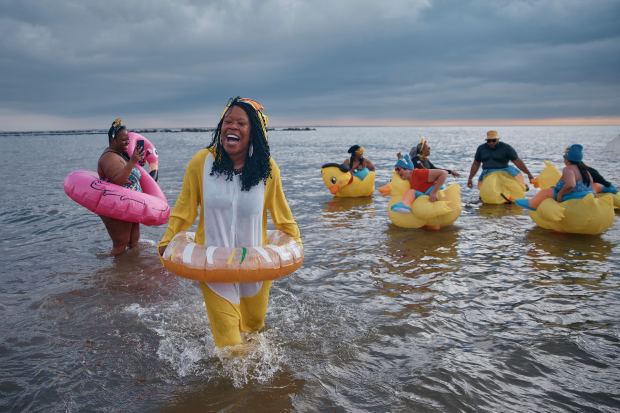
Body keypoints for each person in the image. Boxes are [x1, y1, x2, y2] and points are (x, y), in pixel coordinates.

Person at [157, 97, 300, 347]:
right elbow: (184, 210)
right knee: (231, 347)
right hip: (214, 266)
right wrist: (168, 240)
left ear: (254, 132)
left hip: (255, 267)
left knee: (254, 328)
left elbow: (282, 213)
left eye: (241, 123)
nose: (231, 126)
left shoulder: (267, 170)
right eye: (227, 121)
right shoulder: (201, 163)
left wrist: (295, 243)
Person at [97, 118, 145, 256]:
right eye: (123, 140)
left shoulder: (121, 155)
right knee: (120, 245)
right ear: (113, 140)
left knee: (133, 242)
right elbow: (119, 181)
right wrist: (132, 162)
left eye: (128, 139)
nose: (127, 142)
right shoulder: (108, 158)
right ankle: (114, 274)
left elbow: (132, 175)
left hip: (130, 205)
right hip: (117, 207)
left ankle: (130, 274)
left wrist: (136, 161)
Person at [516, 144, 593, 210]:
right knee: (551, 188)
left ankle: (532, 204)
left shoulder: (568, 169)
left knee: (546, 191)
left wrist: (560, 194)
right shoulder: (585, 169)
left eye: (564, 158)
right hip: (584, 193)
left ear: (567, 160)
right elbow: (591, 182)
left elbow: (571, 184)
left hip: (570, 195)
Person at [466, 130, 533, 189]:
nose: (491, 142)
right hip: (487, 173)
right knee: (485, 194)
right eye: (489, 141)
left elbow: (517, 161)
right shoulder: (481, 148)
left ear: (498, 139)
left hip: (504, 172)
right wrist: (470, 178)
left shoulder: (506, 148)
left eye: (494, 140)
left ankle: (522, 186)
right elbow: (476, 164)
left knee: (514, 189)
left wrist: (528, 173)